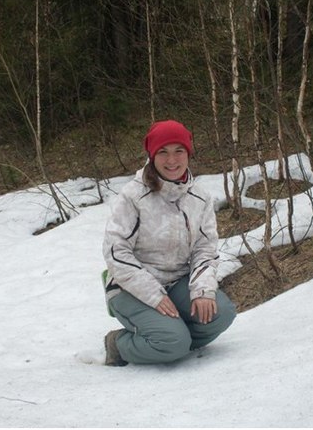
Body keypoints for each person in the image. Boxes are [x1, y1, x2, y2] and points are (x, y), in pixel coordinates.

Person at [101, 119, 236, 366]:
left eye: (178, 151)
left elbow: (205, 249)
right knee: (173, 342)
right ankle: (119, 345)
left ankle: (171, 339)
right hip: (130, 287)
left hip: (177, 282)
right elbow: (116, 250)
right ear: (152, 156)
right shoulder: (133, 196)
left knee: (221, 314)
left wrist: (202, 291)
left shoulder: (200, 198)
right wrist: (153, 295)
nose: (171, 160)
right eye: (162, 152)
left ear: (188, 153)